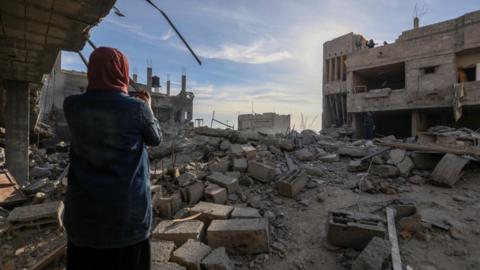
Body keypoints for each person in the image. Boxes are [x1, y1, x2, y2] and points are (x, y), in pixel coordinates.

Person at [63, 47, 162, 270]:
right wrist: (148, 108)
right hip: (127, 217)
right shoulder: (137, 109)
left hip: (84, 217)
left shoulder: (72, 105)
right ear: (123, 72)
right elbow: (155, 139)